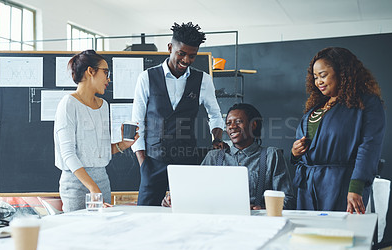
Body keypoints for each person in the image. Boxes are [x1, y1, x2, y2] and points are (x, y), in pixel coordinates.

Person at [132, 22, 226, 206]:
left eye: (192, 56)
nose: (186, 60)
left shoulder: (203, 80)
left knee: (187, 212)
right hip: (153, 161)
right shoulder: (146, 77)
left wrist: (217, 139)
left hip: (187, 161)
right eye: (181, 53)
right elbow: (137, 123)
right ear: (170, 48)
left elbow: (215, 114)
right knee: (146, 214)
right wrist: (144, 164)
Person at [291, 47, 385, 214]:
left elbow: (369, 147)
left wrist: (356, 187)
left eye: (323, 75)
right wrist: (295, 153)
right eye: (315, 77)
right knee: (308, 237)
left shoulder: (365, 103)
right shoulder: (316, 107)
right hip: (306, 187)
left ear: (342, 72)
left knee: (337, 236)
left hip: (341, 185)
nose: (318, 81)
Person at [162, 103, 296, 210]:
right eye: (228, 123)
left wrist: (262, 208)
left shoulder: (271, 155)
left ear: (253, 125)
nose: (232, 127)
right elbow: (197, 194)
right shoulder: (213, 157)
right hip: (220, 222)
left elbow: (287, 200)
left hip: (257, 223)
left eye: (238, 122)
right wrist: (175, 199)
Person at [54, 50, 138, 212]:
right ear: (90, 71)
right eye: (105, 72)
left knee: (101, 233)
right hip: (76, 186)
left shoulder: (103, 105)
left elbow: (99, 152)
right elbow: (68, 154)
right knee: (79, 234)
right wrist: (93, 188)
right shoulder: (68, 104)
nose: (109, 79)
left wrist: (123, 144)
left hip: (102, 182)